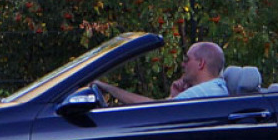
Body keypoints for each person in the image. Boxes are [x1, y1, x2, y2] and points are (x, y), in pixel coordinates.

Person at [97, 41, 227, 105]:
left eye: (187, 60)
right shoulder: (213, 89)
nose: (183, 64)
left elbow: (152, 108)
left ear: (201, 64)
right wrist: (174, 97)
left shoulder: (203, 93)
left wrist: (108, 88)